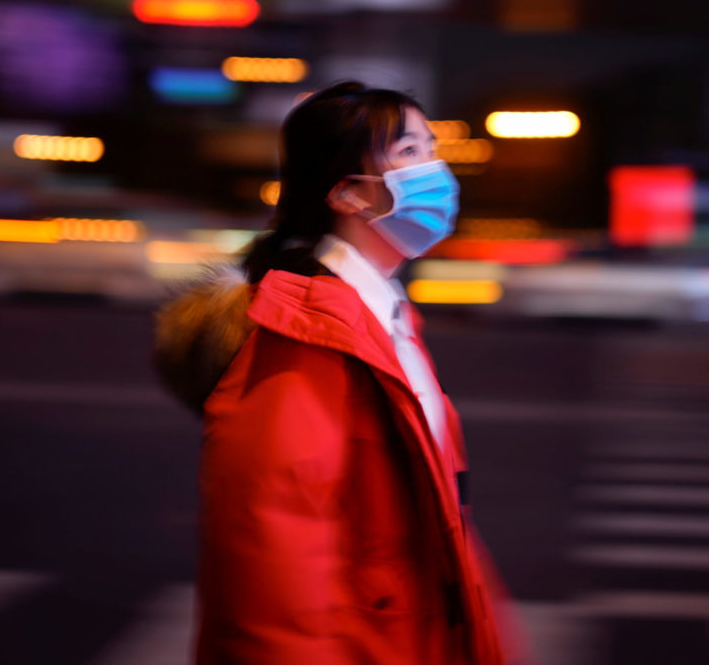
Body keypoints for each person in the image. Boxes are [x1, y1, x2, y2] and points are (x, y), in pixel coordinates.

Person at [154, 81, 524, 664]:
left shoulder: (382, 318)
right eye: (409, 152)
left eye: (433, 149)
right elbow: (273, 556)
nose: (437, 171)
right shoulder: (304, 338)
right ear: (349, 194)